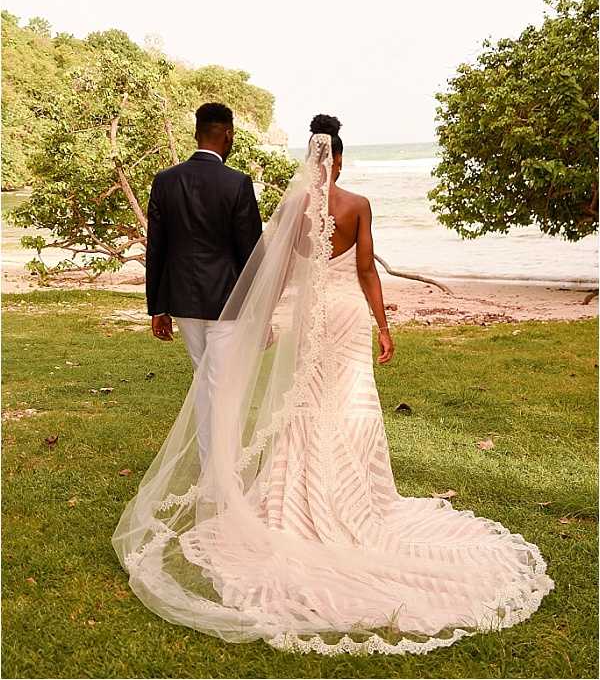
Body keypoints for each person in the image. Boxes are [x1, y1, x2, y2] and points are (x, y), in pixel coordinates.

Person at [112, 114, 555, 657]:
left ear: (309, 159)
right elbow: (368, 270)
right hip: (346, 318)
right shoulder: (358, 206)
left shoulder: (292, 211)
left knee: (304, 401)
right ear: (339, 159)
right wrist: (385, 325)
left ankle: (295, 493)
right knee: (354, 403)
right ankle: (359, 497)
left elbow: (267, 270)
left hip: (308, 320)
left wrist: (264, 316)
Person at [145, 101, 263, 464]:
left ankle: (211, 464)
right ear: (227, 134)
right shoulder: (237, 183)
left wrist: (158, 307)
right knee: (222, 384)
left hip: (182, 299)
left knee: (205, 378)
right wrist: (260, 307)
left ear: (196, 132)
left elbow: (157, 249)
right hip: (227, 301)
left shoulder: (165, 181)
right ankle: (221, 470)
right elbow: (252, 252)